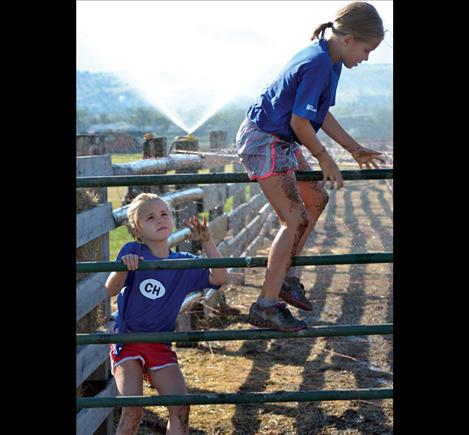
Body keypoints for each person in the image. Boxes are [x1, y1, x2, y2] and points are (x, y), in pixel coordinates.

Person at [235, 1, 386, 332]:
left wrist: (354, 149)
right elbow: (300, 120)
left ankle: (285, 275)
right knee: (294, 218)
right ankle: (266, 304)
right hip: (265, 139)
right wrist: (324, 157)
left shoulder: (331, 60)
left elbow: (320, 114)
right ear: (348, 39)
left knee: (316, 200)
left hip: (283, 139)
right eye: (367, 49)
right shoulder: (319, 62)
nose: (366, 58)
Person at [105, 193, 228, 435]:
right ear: (136, 229)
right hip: (128, 341)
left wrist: (207, 242)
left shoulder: (182, 263)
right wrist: (123, 267)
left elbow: (220, 278)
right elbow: (109, 290)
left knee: (181, 408)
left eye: (164, 214)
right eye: (150, 217)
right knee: (133, 410)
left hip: (160, 343)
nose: (160, 220)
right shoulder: (133, 252)